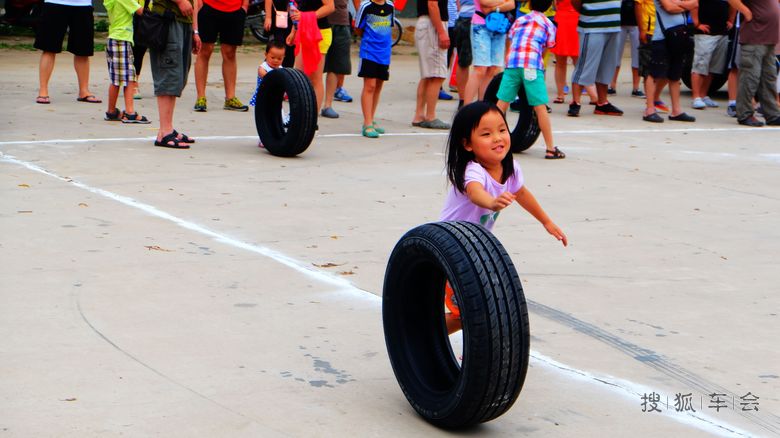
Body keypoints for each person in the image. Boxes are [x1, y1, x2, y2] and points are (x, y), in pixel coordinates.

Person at [439, 101, 568, 333]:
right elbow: (475, 192)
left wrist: (546, 222)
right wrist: (492, 202)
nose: (498, 138)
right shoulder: (473, 170)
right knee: (464, 314)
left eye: (502, 129)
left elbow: (521, 193)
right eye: (486, 134)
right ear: (467, 144)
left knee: (480, 309)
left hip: (475, 250)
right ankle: (421, 339)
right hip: (452, 249)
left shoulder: (511, 168)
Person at [495, 0, 564, 159]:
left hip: (512, 64)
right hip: (532, 66)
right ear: (549, 7)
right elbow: (548, 46)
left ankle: (489, 139)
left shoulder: (520, 20)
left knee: (501, 103)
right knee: (540, 107)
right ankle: (550, 148)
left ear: (530, 4)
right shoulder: (548, 23)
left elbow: (511, 38)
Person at [149, 0, 201, 148]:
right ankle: (165, 132)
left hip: (184, 21)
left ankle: (167, 129)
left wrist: (195, 30)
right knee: (168, 73)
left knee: (177, 76)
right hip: (167, 19)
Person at [33, 0, 101, 104]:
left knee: (83, 50)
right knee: (49, 48)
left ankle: (84, 91)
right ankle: (43, 91)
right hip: (55, 3)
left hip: (83, 5)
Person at [641, 0, 698, 123]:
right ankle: (650, 109)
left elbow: (695, 4)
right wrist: (684, 6)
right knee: (654, 72)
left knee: (675, 74)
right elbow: (669, 8)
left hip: (679, 35)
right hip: (661, 36)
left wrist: (678, 4)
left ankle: (676, 110)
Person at [568, 0, 624, 117]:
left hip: (613, 25)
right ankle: (575, 102)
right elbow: (575, 2)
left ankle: (602, 103)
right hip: (592, 25)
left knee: (607, 66)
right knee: (585, 65)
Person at [727, 0, 779, 125]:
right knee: (750, 78)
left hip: (768, 40)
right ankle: (745, 114)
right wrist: (746, 12)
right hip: (755, 38)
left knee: (769, 79)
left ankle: (772, 114)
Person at [193, 0, 249, 112]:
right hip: (208, 6)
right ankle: (201, 97)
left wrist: (245, 5)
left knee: (230, 53)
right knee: (205, 50)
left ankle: (230, 98)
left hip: (235, 9)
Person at [103, 0, 151, 123]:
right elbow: (141, 11)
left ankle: (111, 111)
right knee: (130, 77)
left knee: (116, 79)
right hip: (121, 39)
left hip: (117, 38)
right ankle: (130, 113)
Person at [287, 0, 336, 114]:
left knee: (315, 79)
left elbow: (330, 7)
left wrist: (306, 16)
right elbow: (301, 9)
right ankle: (298, 117)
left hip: (319, 32)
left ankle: (312, 120)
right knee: (299, 77)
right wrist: (293, 31)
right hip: (303, 30)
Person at [355, 0, 394, 137]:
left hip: (384, 53)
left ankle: (371, 118)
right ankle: (367, 123)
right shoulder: (366, 6)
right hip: (369, 52)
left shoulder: (390, 6)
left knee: (378, 85)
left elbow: (390, 26)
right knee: (369, 85)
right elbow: (358, 28)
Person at [462, 0, 515, 103]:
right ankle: (466, 106)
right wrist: (503, 3)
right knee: (480, 69)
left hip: (499, 26)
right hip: (481, 25)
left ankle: (484, 103)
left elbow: (512, 4)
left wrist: (493, 8)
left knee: (493, 69)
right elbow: (484, 2)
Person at [411, 0, 452, 129]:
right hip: (432, 25)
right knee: (437, 75)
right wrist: (441, 32)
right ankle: (430, 116)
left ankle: (419, 115)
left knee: (428, 75)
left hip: (428, 23)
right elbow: (432, 4)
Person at [550, 0, 598, 103]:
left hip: (572, 19)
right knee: (563, 60)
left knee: (576, 61)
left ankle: (590, 95)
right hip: (565, 18)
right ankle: (561, 94)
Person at [690, 0, 731, 109]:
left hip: (722, 32)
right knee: (699, 65)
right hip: (705, 34)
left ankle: (703, 95)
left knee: (712, 68)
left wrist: (731, 20)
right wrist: (696, 23)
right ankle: (696, 97)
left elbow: (734, 4)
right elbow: (693, 4)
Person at [249, 39, 287, 147]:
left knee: (279, 117)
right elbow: (267, 78)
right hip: (263, 98)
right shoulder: (263, 68)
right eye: (273, 57)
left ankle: (280, 133)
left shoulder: (281, 69)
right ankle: (263, 138)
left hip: (276, 99)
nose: (275, 60)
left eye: (279, 58)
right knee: (264, 119)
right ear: (266, 55)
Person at [320, 0, 354, 119]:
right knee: (314, 68)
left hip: (341, 22)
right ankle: (311, 104)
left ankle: (327, 105)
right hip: (320, 23)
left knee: (335, 66)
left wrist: (359, 18)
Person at [635, 0, 671, 113]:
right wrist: (642, 30)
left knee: (668, 69)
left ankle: (655, 97)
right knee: (648, 70)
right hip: (650, 31)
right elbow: (638, 5)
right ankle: (650, 104)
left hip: (667, 31)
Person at [610, 0, 643, 96]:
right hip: (620, 23)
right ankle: (612, 85)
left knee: (637, 55)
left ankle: (636, 87)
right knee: (615, 54)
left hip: (636, 23)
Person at [453, 0, 475, 108]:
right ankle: (463, 100)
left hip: (483, 19)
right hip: (467, 18)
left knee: (485, 66)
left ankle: (465, 100)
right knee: (464, 62)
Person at [264, 0, 296, 67]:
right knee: (275, 47)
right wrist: (268, 17)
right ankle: (268, 71)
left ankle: (287, 73)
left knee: (290, 48)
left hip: (292, 17)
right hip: (276, 16)